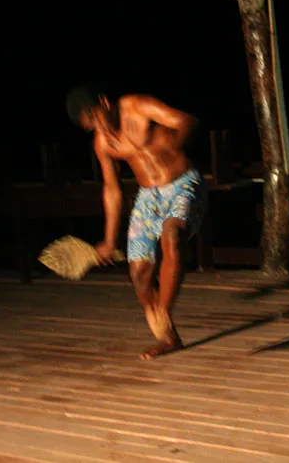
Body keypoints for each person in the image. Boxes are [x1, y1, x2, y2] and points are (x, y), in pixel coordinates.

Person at [66, 87, 207, 360]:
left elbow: (188, 121)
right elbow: (112, 189)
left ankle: (162, 314)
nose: (99, 130)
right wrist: (108, 240)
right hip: (147, 198)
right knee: (139, 273)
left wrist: (172, 146)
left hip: (183, 185)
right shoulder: (102, 144)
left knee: (171, 235)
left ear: (105, 103)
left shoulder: (138, 106)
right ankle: (168, 338)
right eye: (91, 127)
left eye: (96, 119)